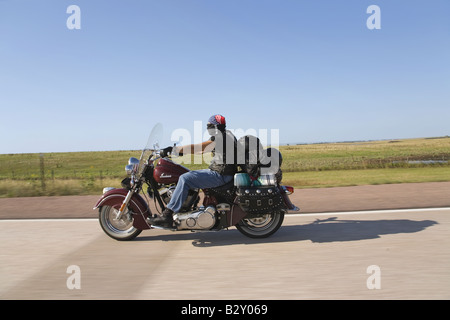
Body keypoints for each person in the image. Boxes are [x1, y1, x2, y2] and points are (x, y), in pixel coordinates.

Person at [148, 114, 237, 227]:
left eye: (209, 126)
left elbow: (199, 147)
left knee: (185, 178)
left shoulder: (220, 137)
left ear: (213, 126)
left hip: (220, 175)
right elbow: (200, 151)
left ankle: (167, 214)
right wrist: (180, 152)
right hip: (222, 172)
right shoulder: (226, 135)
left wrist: (173, 150)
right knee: (189, 175)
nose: (208, 129)